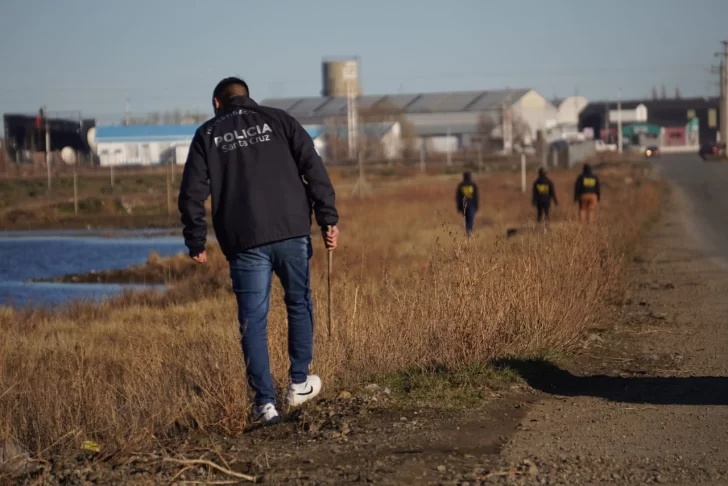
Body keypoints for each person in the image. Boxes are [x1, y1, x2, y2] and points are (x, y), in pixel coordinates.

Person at [178, 77, 339, 426]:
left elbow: (191, 191)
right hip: (291, 230)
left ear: (217, 104)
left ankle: (264, 405)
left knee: (253, 321)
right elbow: (314, 167)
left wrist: (196, 241)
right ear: (248, 98)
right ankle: (298, 383)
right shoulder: (280, 120)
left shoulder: (207, 134)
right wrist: (327, 218)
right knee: (298, 302)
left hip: (244, 240)